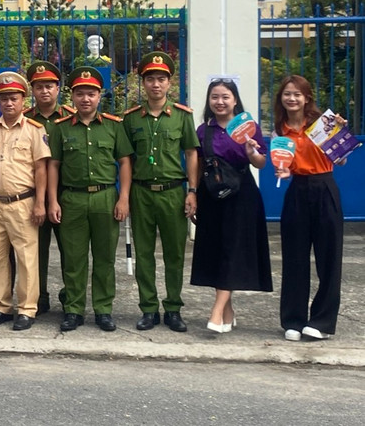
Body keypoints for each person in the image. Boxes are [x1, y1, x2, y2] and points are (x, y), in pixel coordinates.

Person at [47, 67, 133, 332]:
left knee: (105, 258)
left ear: (99, 96)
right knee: (74, 259)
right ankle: (73, 309)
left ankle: (103, 309)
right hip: (72, 199)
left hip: (105, 197)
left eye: (91, 94)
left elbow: (125, 162)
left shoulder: (113, 126)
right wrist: (53, 200)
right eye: (80, 94)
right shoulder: (61, 128)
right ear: (72, 96)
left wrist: (124, 198)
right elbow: (53, 165)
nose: (86, 99)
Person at [122, 52, 199, 333]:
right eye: (151, 79)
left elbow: (191, 153)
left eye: (161, 79)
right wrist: (125, 196)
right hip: (141, 193)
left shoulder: (182, 116)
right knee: (143, 254)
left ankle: (173, 308)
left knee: (174, 254)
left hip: (172, 192)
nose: (156, 84)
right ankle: (149, 309)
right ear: (143, 83)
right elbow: (126, 160)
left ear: (169, 83)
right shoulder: (131, 118)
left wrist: (192, 191)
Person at [190, 79, 272, 333]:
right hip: (212, 195)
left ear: (235, 100)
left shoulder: (248, 128)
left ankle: (216, 312)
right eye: (215, 97)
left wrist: (251, 151)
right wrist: (193, 194)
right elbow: (198, 165)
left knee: (233, 251)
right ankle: (228, 310)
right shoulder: (203, 130)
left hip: (242, 195)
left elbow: (261, 163)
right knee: (218, 251)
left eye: (225, 97)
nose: (220, 102)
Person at [273, 75, 346, 341]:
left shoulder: (323, 124)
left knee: (329, 257)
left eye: (297, 94)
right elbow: (285, 166)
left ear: (307, 98)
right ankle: (293, 320)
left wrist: (341, 134)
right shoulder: (280, 130)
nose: (292, 98)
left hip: (324, 187)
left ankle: (322, 322)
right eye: (287, 94)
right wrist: (284, 172)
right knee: (295, 257)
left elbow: (342, 161)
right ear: (281, 98)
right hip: (297, 190)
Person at [0, 72, 50, 331]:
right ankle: (2, 306)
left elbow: (41, 169)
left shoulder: (34, 130)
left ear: (23, 100)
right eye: (4, 98)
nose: (8, 103)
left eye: (13, 98)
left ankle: (27, 309)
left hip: (23, 203)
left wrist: (40, 203)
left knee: (26, 258)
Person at [23, 61, 75, 315]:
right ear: (32, 90)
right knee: (36, 249)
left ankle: (70, 297)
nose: (44, 91)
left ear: (58, 88)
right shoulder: (25, 119)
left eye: (49, 86)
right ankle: (39, 296)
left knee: (70, 249)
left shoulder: (71, 117)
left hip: (67, 192)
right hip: (32, 194)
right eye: (39, 86)